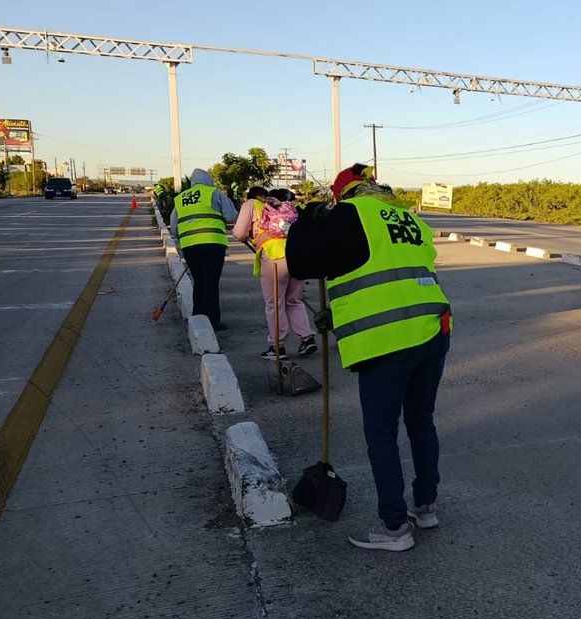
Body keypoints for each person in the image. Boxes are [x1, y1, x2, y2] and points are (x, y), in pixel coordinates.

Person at [286, 163, 451, 553]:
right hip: (432, 329)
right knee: (420, 421)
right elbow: (386, 271)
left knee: (381, 432)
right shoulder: (406, 216)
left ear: (343, 194)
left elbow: (302, 262)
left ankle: (394, 527)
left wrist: (307, 220)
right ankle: (425, 508)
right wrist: (336, 314)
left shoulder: (351, 213)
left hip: (389, 340)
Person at [233, 187, 317, 359]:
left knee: (274, 304)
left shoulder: (252, 204)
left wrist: (247, 235)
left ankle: (277, 347)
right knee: (294, 300)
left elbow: (239, 232)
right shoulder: (283, 205)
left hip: (274, 257)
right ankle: (307, 339)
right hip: (295, 255)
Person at [170, 169, 239, 331]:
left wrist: (188, 236)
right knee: (210, 282)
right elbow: (231, 216)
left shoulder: (180, 198)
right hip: (213, 243)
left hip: (189, 246)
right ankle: (212, 320)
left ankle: (198, 315)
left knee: (199, 281)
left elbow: (174, 227)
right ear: (209, 180)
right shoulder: (214, 193)